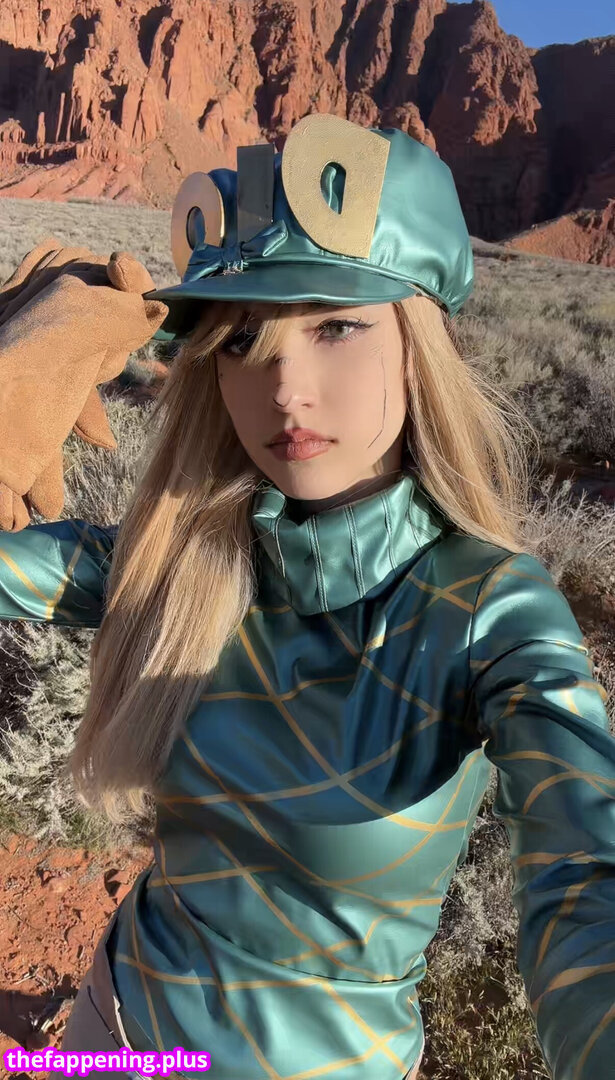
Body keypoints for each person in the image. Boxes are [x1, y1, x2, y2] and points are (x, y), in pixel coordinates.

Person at [0, 112, 614, 1080]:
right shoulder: (180, 562)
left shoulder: (490, 615)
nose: (285, 386)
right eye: (242, 339)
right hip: (115, 1035)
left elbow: (586, 880)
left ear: (416, 341)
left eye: (335, 324)